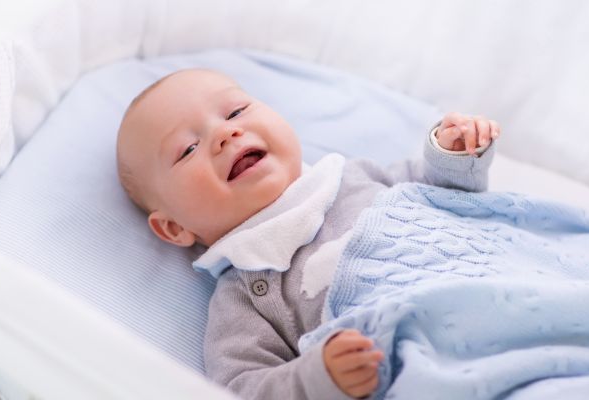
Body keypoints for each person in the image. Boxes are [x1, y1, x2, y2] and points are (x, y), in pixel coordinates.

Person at [116, 69, 500, 399]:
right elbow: (244, 386)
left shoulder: (355, 176)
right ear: (174, 227)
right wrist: (318, 378)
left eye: (235, 111)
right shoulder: (246, 297)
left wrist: (454, 154)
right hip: (437, 366)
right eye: (188, 149)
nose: (226, 133)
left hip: (494, 293)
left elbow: (443, 194)